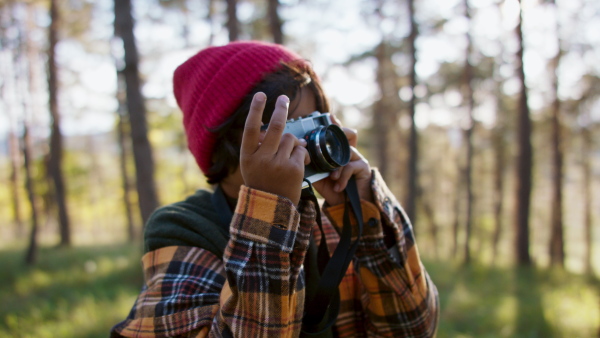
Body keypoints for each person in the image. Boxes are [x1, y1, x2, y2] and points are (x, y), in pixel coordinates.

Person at [111, 41, 439, 338]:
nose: (304, 144)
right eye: (281, 128)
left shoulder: (333, 223)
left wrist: (368, 216)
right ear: (225, 143)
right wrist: (269, 212)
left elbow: (413, 330)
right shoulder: (184, 226)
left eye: (310, 121)